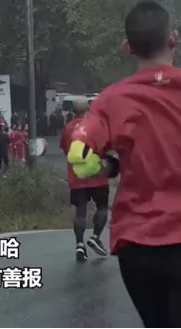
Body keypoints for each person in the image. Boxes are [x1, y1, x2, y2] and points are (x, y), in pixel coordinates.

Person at [66, 0, 181, 328]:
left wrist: (107, 165)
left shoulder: (112, 99)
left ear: (128, 47)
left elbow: (83, 152)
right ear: (174, 39)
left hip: (136, 246)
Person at [59, 97, 110, 261]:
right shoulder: (97, 126)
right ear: (88, 108)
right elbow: (106, 147)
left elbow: (66, 150)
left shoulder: (68, 128)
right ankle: (95, 237)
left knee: (80, 212)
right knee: (102, 207)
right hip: (97, 176)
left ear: (73, 111)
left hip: (77, 177)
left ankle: (79, 245)